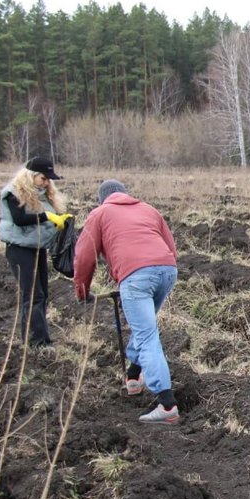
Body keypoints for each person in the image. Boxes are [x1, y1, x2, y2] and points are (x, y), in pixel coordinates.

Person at [74, 180, 180, 424]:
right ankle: (133, 377)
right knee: (145, 327)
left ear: (103, 198)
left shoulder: (99, 214)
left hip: (136, 277)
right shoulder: (148, 209)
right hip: (167, 271)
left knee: (146, 335)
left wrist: (82, 291)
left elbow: (84, 258)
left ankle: (166, 404)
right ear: (124, 194)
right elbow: (171, 248)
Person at [0, 156, 71, 347]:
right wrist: (47, 216)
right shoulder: (13, 192)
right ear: (31, 176)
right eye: (43, 178)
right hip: (19, 250)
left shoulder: (41, 194)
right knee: (33, 295)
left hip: (36, 249)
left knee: (43, 294)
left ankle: (42, 339)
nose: (46, 183)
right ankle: (35, 342)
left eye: (48, 180)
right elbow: (19, 219)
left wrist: (62, 221)